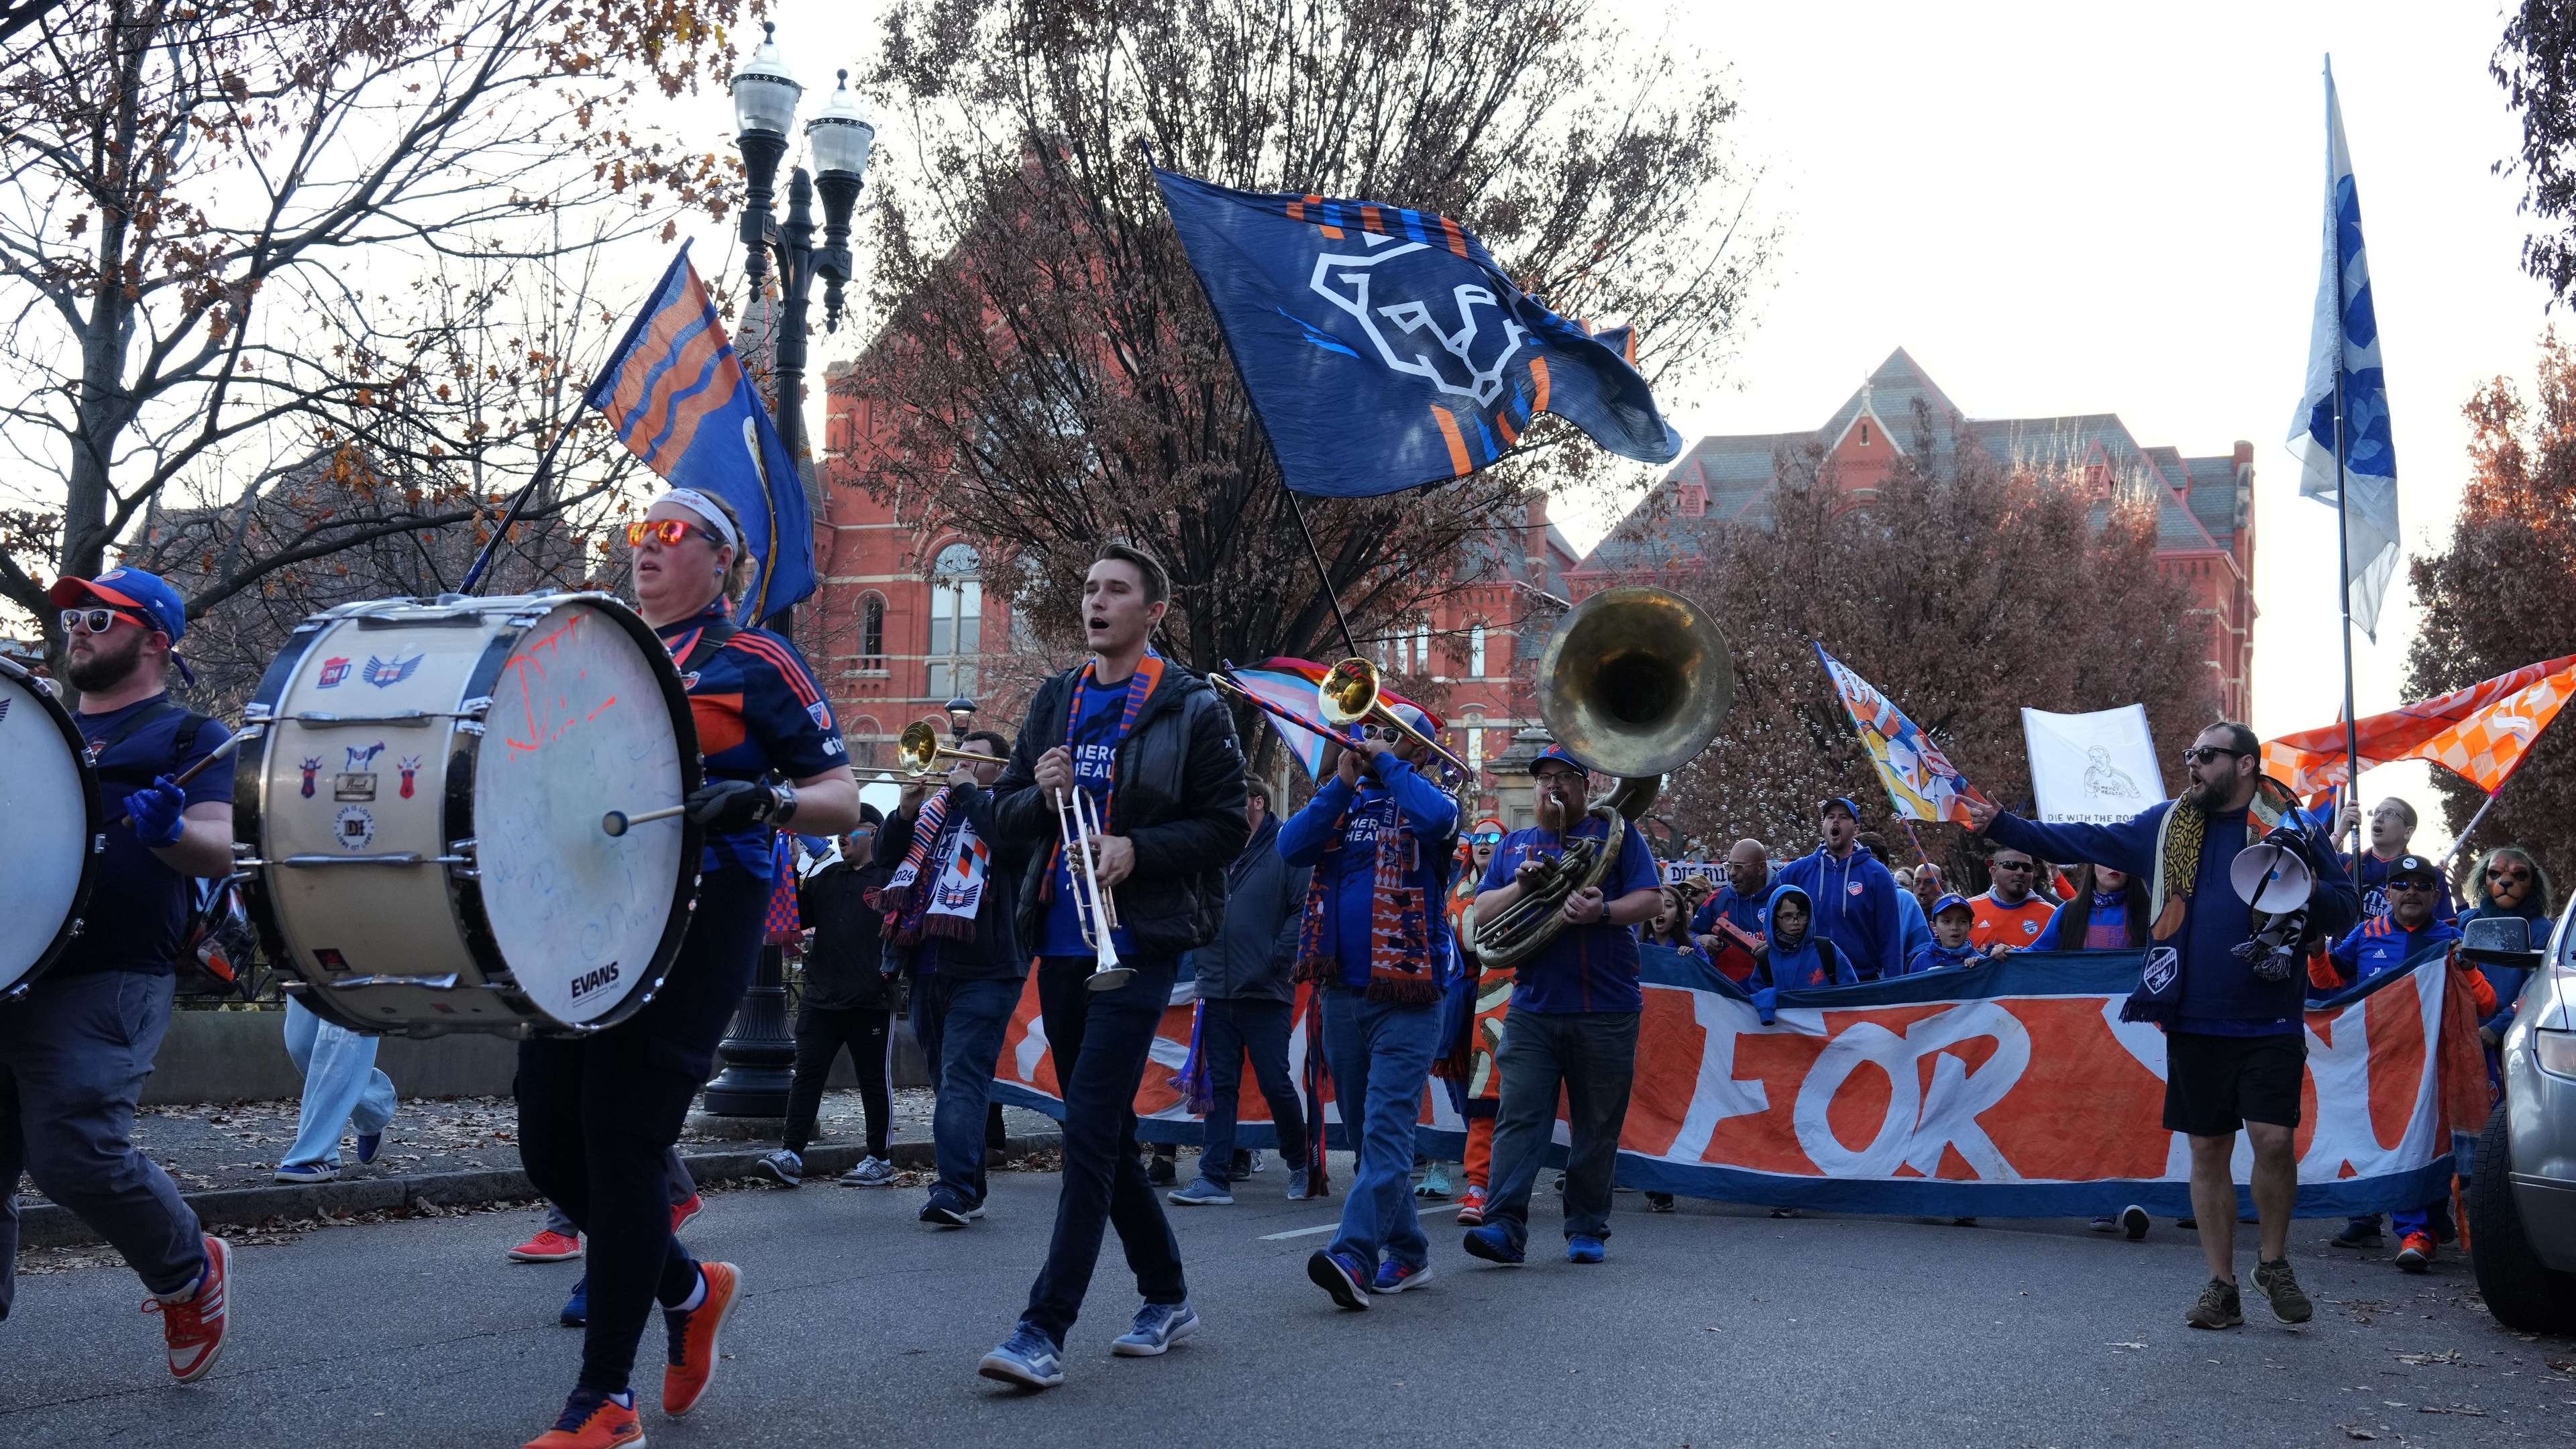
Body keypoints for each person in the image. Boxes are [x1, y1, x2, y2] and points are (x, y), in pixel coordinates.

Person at [515, 488, 863, 1448]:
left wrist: (768, 802)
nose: (647, 548)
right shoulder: (600, 656)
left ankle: (604, 1401)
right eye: (638, 533)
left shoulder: (755, 659)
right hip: (584, 921)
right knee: (547, 1146)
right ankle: (686, 1285)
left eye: (671, 534)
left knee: (622, 1138)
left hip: (704, 920)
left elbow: (842, 796)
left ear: (723, 561)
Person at [1966, 721, 2357, 1333]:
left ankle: (2274, 1263)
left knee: (2274, 1140)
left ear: (2247, 764)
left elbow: (2344, 905)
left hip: (2271, 1013)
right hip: (2195, 1015)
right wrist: (2001, 825)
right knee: (2208, 1149)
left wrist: (2301, 888)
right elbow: (2083, 838)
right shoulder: (2167, 825)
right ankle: (2221, 1285)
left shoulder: (2293, 826)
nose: (2193, 765)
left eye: (2206, 755)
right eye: (2188, 754)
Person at [974, 542, 1248, 1390]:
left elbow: (1230, 825)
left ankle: (1041, 1328)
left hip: (1140, 942)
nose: (1096, 602)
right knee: (1106, 1131)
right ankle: (1166, 1293)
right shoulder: (1056, 698)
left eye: (1115, 591)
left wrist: (1140, 847)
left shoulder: (1191, 707)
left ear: (1151, 612)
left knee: (1090, 1124)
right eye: (1089, 587)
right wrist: (1039, 791)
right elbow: (1002, 820)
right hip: (1061, 940)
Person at [3, 566, 235, 1383]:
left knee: (71, 1155)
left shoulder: (188, 739)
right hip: (8, 970)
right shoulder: (31, 731)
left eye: (103, 619)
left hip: (108, 974)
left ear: (157, 640)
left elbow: (218, 840)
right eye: (75, 617)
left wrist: (170, 833)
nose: (80, 629)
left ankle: (186, 1271)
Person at [1281, 717, 1460, 1307]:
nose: (1370, 738)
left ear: (1417, 748)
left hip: (1408, 1000)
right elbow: (1291, 847)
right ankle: (1408, 1252)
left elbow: (1438, 822)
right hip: (1343, 996)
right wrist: (1339, 782)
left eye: (1389, 733)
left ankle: (1354, 1256)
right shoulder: (1345, 804)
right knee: (1366, 1138)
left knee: (1386, 1134)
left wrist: (1391, 765)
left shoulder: (1429, 800)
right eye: (1370, 731)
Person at [1460, 744, 1660, 1269]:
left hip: (1608, 1005)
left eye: (1564, 778)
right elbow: (1480, 912)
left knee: (1597, 1125)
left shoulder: (1614, 835)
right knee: (1519, 1117)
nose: (1553, 787)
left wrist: (1603, 911)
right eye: (1544, 778)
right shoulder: (1516, 847)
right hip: (1534, 1006)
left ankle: (1586, 1225)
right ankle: (1503, 1225)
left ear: (1585, 784)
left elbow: (1651, 900)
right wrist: (1520, 887)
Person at [875, 731, 1032, 1227]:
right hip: (927, 965)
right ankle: (971, 1186)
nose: (955, 764)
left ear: (998, 769)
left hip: (987, 967)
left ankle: (952, 1190)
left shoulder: (1012, 805)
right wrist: (904, 811)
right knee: (948, 1082)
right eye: (956, 756)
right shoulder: (934, 812)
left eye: (971, 758)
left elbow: (1007, 844)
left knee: (963, 1078)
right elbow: (886, 859)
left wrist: (967, 792)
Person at [2316, 854, 2486, 1268]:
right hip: (2375, 1061)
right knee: (2382, 1143)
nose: (2412, 891)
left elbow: (2486, 1003)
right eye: (2402, 884)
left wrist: (2469, 968)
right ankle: (2412, 1228)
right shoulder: (2367, 932)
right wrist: (2312, 950)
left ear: (2435, 896)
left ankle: (2419, 1230)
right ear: (2387, 892)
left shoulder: (2450, 939)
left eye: (2423, 885)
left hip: (2432, 1067)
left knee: (2425, 1144)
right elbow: (2327, 982)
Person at [1168, 776, 1314, 1208]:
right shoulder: (1217, 847)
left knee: (1274, 1082)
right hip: (1216, 986)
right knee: (1219, 1084)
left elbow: (1301, 910)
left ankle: (1300, 1161)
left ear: (1255, 802)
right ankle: (1213, 1177)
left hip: (1267, 988)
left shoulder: (1289, 846)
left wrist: (1274, 962)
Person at [755, 808, 898, 1190]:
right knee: (807, 1078)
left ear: (874, 833)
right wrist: (792, 870)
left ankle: (880, 1158)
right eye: (837, 831)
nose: (841, 837)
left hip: (869, 1001)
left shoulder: (890, 880)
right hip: (820, 998)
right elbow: (791, 918)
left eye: (850, 830)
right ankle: (791, 1155)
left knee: (873, 1081)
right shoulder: (825, 878)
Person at [1427, 817, 1505, 1209]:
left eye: (1493, 837)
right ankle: (1478, 1158)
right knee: (1459, 1085)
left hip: (1500, 991)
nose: (1484, 843)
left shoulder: (1515, 887)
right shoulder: (1454, 889)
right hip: (1459, 994)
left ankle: (1486, 1176)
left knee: (1488, 1085)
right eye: (1478, 837)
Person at [1774, 798, 1903, 980]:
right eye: (1830, 817)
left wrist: (1895, 987)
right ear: (1823, 825)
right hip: (1809, 982)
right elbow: (1763, 899)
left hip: (1862, 984)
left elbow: (1890, 938)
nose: (1835, 821)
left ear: (1856, 829)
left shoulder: (1877, 874)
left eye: (1843, 817)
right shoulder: (1799, 870)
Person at [273, 996, 394, 1184]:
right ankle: (374, 1106)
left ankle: (316, 1154)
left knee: (341, 1039)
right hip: (304, 966)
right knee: (302, 1044)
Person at [2456, 845, 2554, 1061]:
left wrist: (2498, 1027)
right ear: (2485, 880)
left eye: (2519, 875)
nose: (2507, 881)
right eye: (2495, 874)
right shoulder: (2468, 921)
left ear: (2532, 882)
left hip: (2514, 1038)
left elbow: (2538, 989)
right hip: (2463, 1032)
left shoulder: (2543, 930)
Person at [2337, 796, 2457, 920]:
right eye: (2376, 813)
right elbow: (2315, 862)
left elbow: (2444, 932)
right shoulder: (2348, 864)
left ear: (2408, 832)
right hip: (2349, 940)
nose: (2378, 819)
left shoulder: (2429, 876)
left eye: (2389, 814)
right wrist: (2340, 833)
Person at [1689, 838, 1774, 983]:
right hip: (1725, 995)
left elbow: (1802, 944)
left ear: (1761, 868)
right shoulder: (1717, 899)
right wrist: (1699, 939)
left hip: (1772, 994)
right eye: (1729, 866)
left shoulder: (1783, 898)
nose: (1732, 873)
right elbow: (1687, 934)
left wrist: (1775, 947)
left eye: (1740, 867)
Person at [1749, 883, 1857, 991]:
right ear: (1773, 918)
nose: (1795, 922)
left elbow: (1852, 992)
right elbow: (1756, 995)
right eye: (1788, 916)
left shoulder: (1825, 950)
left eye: (1801, 915)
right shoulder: (1766, 958)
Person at [2030, 863, 2151, 952]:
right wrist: (2012, 953)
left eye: (2120, 858)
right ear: (2093, 867)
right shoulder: (2068, 912)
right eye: (2106, 858)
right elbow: (2036, 952)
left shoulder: (2151, 914)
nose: (2114, 864)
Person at [1969, 847, 2055, 955]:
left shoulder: (2051, 914)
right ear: (1994, 873)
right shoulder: (1968, 910)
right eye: (2011, 865)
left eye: (2027, 867)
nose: (2020, 872)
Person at [1909, 894, 1980, 975]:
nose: (1954, 927)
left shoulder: (1979, 962)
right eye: (1947, 921)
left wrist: (1978, 969)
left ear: (1970, 927)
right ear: (1934, 927)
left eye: (1962, 921)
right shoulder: (1921, 962)